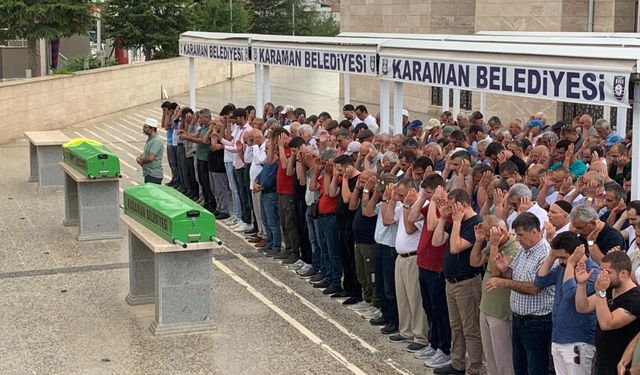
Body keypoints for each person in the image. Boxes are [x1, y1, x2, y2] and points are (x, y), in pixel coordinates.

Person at [490, 212, 554, 374]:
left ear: (535, 232)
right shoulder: (523, 249)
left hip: (537, 322)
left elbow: (534, 288)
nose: (517, 239)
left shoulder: (545, 254)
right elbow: (515, 277)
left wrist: (504, 282)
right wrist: (505, 270)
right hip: (519, 319)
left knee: (535, 368)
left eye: (520, 235)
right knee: (520, 365)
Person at [432, 189, 483, 375]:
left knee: (470, 328)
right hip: (451, 281)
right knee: (456, 326)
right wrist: (443, 219)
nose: (447, 208)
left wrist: (456, 221)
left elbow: (455, 248)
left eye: (450, 204)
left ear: (461, 204)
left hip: (467, 282)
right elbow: (437, 241)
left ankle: (474, 368)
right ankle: (457, 364)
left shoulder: (476, 223)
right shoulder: (454, 222)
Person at [535, 232, 599, 375]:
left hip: (578, 340)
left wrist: (570, 264)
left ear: (576, 252)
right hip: (559, 337)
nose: (561, 261)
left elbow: (570, 294)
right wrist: (552, 256)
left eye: (563, 257)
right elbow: (540, 281)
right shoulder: (562, 268)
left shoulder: (593, 271)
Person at [576, 251, 640, 375]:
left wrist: (601, 292)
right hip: (602, 362)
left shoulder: (635, 298)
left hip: (622, 366)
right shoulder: (609, 290)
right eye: (601, 271)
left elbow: (607, 324)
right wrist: (581, 284)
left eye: (608, 272)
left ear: (623, 273)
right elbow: (582, 307)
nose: (602, 276)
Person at [470, 216, 518, 375]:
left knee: (503, 358)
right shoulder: (492, 243)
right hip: (487, 306)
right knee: (490, 357)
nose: (486, 238)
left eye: (487, 235)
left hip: (501, 310)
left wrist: (495, 245)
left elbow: (496, 274)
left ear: (501, 232)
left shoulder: (513, 247)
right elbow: (475, 262)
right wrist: (478, 241)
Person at [137, 118, 164, 184]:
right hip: (148, 173)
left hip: (153, 175)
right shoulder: (150, 140)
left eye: (146, 127)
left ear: (152, 129)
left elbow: (150, 158)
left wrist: (140, 159)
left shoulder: (156, 141)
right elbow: (146, 154)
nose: (143, 129)